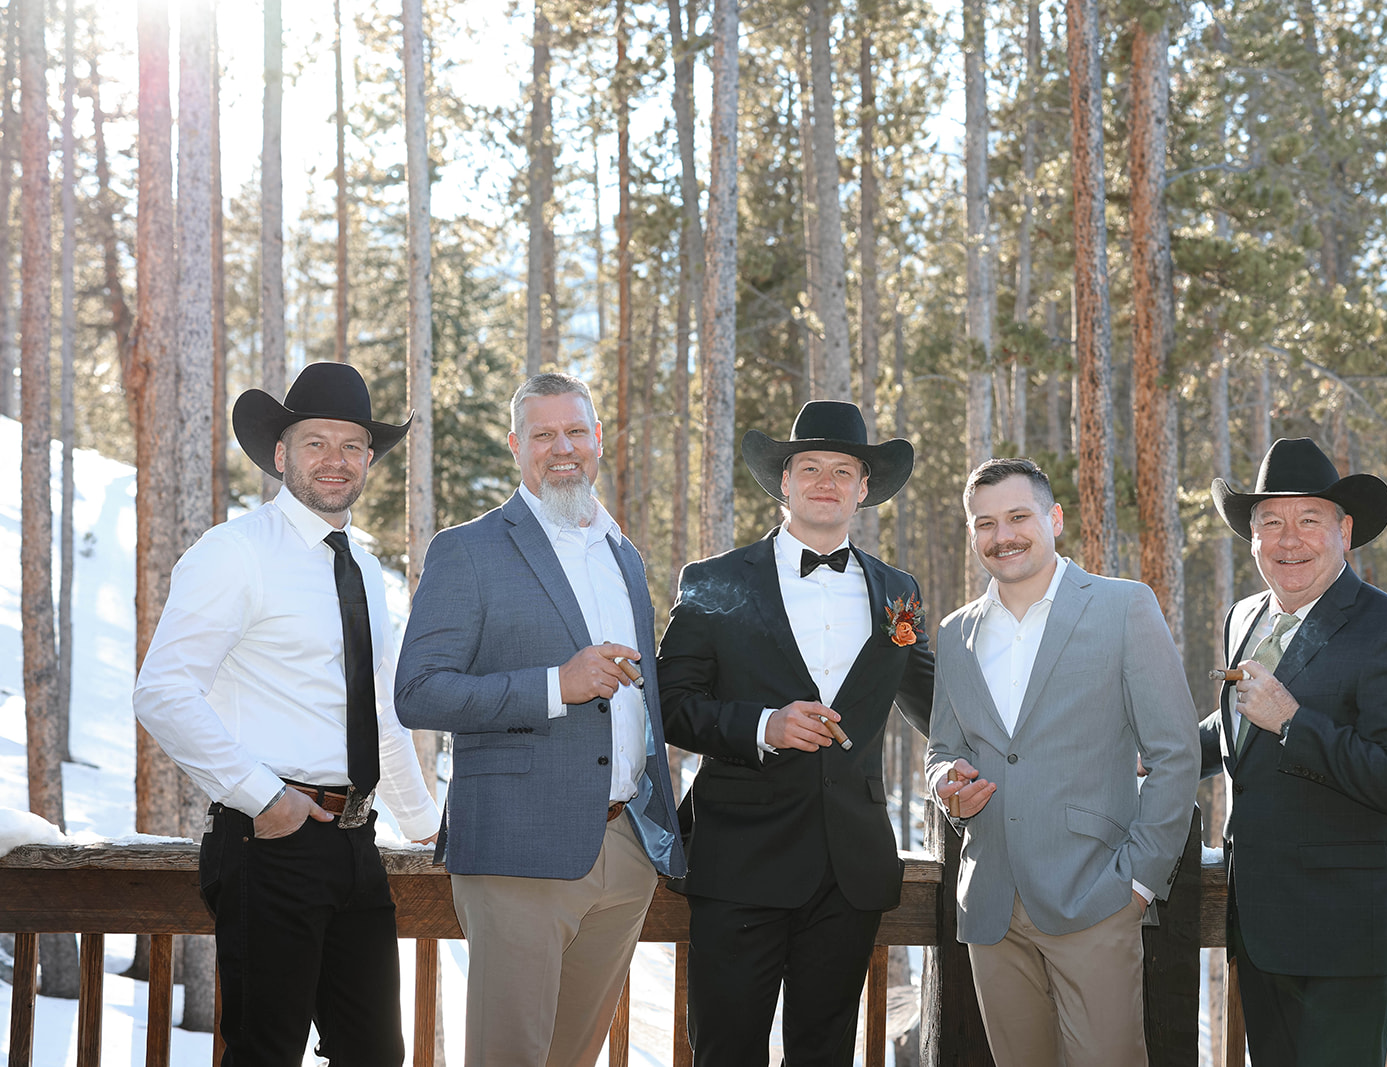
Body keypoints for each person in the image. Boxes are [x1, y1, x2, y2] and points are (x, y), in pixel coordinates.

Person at [133, 361, 440, 1066]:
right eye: (314, 442)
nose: (334, 460)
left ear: (368, 458)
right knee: (266, 1054)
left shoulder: (362, 567)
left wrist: (424, 823)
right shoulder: (235, 552)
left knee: (374, 1054)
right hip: (270, 842)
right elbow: (162, 690)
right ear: (280, 454)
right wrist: (264, 798)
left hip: (357, 847)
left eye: (351, 444)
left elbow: (376, 713)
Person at [393, 373, 685, 1067]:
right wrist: (559, 684)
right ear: (516, 445)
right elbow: (419, 692)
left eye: (576, 431)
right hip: (517, 852)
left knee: (572, 1058)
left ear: (598, 440)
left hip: (624, 853)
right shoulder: (469, 549)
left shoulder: (625, 555)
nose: (563, 448)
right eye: (545, 434)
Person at [656, 400, 935, 1066]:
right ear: (783, 480)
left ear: (864, 488)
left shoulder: (897, 591)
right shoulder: (714, 580)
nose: (825, 481)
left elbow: (940, 703)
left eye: (843, 470)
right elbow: (667, 704)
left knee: (825, 1051)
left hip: (850, 870)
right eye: (809, 466)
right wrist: (763, 725)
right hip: (739, 861)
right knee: (727, 1050)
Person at [924, 457, 1200, 1066]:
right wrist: (946, 781)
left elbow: (1175, 753)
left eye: (1018, 516)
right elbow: (943, 748)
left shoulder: (1124, 607)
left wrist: (1138, 881)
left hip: (1096, 897)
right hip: (992, 902)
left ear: (1054, 519)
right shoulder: (953, 633)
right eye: (985, 523)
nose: (1003, 536)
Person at [1201, 437, 1387, 1066]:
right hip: (1258, 925)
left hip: (1346, 937)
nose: (1289, 540)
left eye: (1309, 520)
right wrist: (1151, 752)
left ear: (1345, 530)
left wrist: (1293, 722)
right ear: (1251, 536)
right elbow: (1238, 727)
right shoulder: (1243, 617)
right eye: (1270, 523)